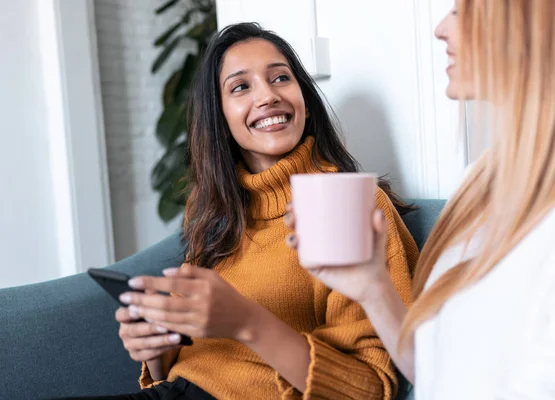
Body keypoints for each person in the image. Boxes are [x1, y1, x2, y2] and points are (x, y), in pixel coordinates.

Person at [76, 23, 419, 400]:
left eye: (281, 78)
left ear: (304, 96)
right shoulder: (215, 211)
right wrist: (157, 348)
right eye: (241, 87)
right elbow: (182, 367)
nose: (268, 96)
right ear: (220, 116)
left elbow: (366, 389)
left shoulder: (352, 206)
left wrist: (246, 322)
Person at [286, 0, 555, 398]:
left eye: (463, 11)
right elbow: (440, 370)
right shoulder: (482, 181)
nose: (440, 28)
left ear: (536, 23)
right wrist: (372, 285)